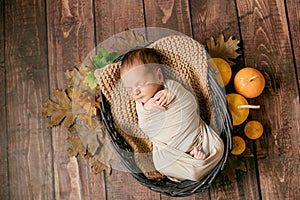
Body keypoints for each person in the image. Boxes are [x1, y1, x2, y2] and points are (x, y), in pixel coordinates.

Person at [120, 48, 224, 182]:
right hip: (171, 152)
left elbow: (191, 104)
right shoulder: (142, 108)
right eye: (130, 89)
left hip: (198, 137)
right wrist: (147, 109)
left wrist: (172, 93)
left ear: (158, 76)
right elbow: (146, 129)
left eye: (140, 84)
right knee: (160, 164)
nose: (136, 92)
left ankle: (196, 163)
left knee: (219, 147)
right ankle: (196, 164)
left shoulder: (172, 87)